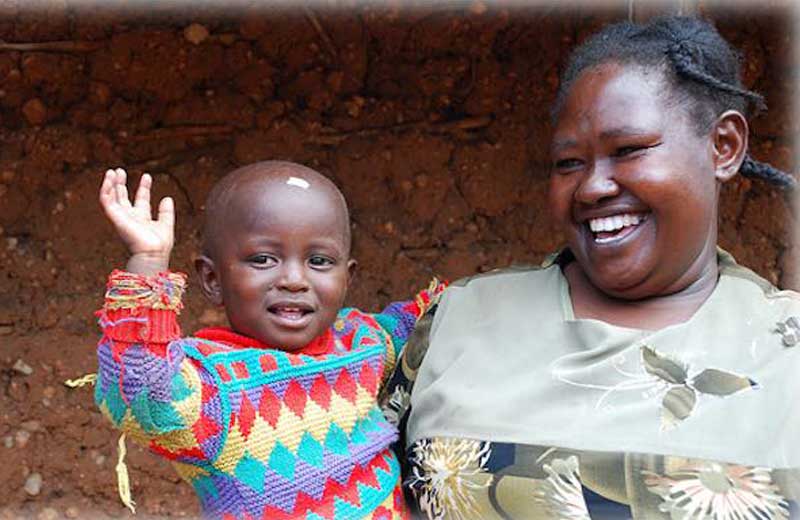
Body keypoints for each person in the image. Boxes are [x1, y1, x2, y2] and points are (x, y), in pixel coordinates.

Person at [384, 16, 800, 519]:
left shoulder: (784, 350)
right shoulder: (459, 318)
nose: (593, 187)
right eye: (569, 163)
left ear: (724, 146)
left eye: (628, 150)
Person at [94, 161, 443, 519]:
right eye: (263, 259)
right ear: (213, 279)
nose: (294, 279)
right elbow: (141, 396)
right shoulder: (216, 388)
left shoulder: (363, 343)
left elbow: (438, 319)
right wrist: (148, 263)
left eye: (320, 261)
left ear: (347, 278)